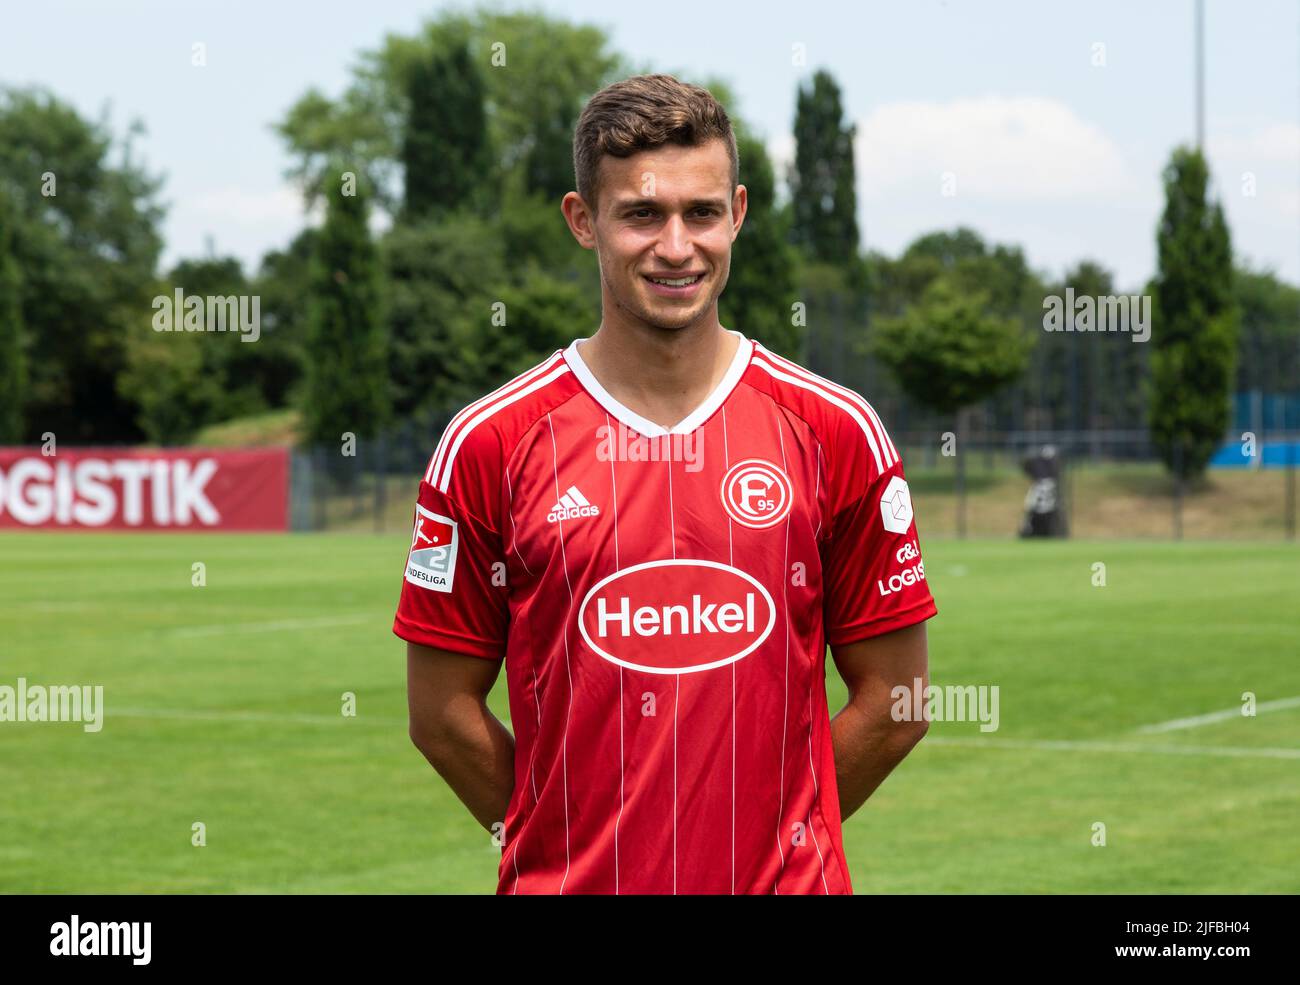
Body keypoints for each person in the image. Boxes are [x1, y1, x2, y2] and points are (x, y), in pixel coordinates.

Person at [394, 73, 937, 894]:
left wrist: (783, 842)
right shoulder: (489, 443)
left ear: (739, 214)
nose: (676, 246)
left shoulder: (835, 430)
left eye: (702, 213)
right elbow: (439, 715)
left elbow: (897, 700)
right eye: (642, 214)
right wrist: (554, 838)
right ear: (585, 221)